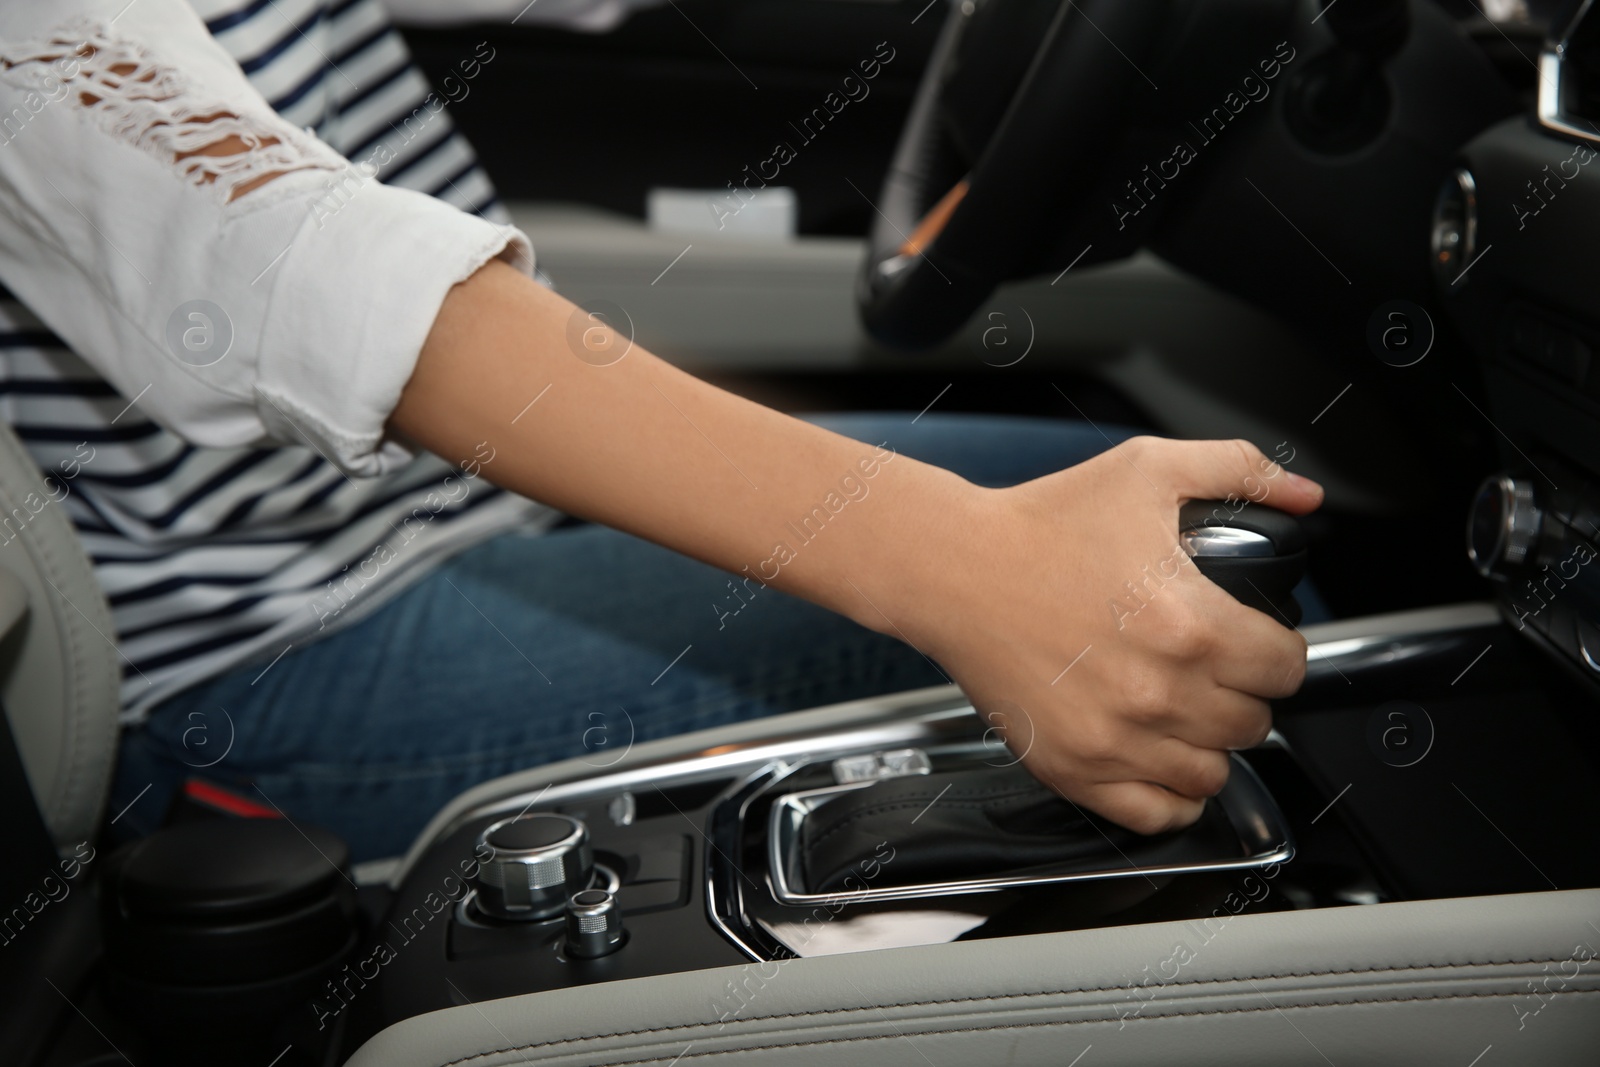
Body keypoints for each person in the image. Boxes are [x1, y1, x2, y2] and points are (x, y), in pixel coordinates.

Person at [0, 0, 1319, 862]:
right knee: (1190, 581)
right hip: (261, 658)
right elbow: (284, 267)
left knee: (1198, 553)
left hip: (430, 530)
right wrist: (973, 571)